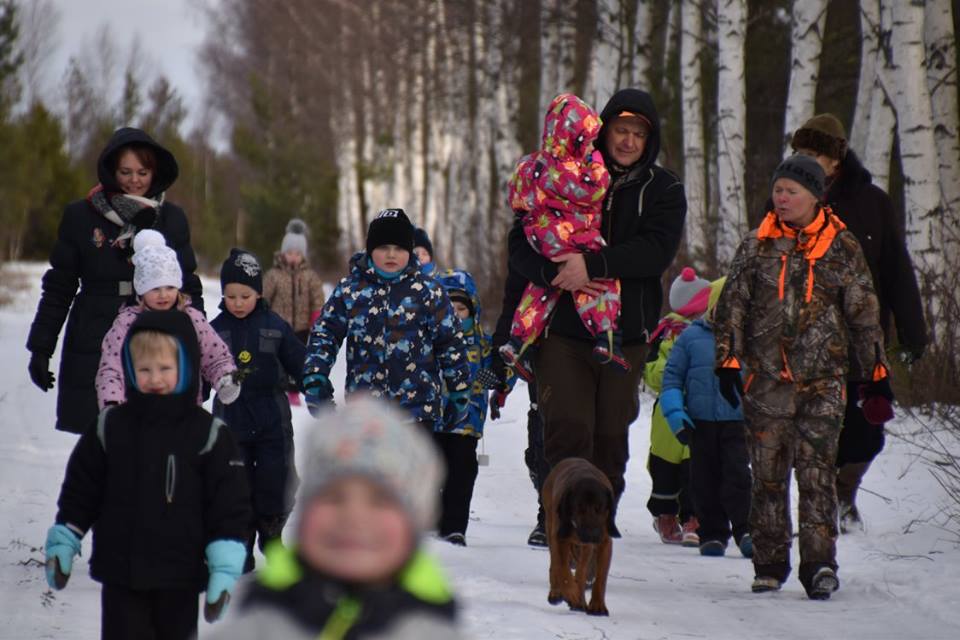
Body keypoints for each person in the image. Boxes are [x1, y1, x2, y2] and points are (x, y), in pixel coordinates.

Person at [714, 154, 891, 599]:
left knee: (817, 475)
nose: (782, 197)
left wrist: (875, 374)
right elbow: (731, 307)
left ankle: (819, 564)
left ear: (816, 196)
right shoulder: (756, 245)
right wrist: (728, 360)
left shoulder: (842, 246)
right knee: (769, 476)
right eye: (778, 190)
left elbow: (864, 314)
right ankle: (770, 562)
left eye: (792, 190)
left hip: (824, 382)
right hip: (767, 382)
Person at [507, 88, 687, 511]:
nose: (628, 141)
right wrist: (556, 273)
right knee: (568, 428)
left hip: (625, 333)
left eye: (638, 135)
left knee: (609, 436)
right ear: (603, 131)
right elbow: (520, 244)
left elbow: (656, 251)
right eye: (620, 130)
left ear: (650, 141)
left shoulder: (663, 188)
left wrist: (593, 264)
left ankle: (596, 527)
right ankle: (558, 519)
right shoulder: (566, 173)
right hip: (563, 332)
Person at [44, 310, 251, 639]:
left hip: (180, 577)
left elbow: (228, 504)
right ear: (129, 369)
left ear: (186, 366)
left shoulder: (208, 434)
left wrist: (224, 565)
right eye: (144, 369)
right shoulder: (111, 427)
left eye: (165, 368)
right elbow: (82, 490)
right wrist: (67, 537)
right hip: (122, 573)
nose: (155, 378)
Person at [207, 399, 464, 640]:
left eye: (380, 500)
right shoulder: (254, 631)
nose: (353, 516)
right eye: (333, 497)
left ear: (415, 521)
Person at [789, 113, 927, 532]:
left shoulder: (873, 202)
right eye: (801, 153)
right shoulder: (787, 195)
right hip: (804, 339)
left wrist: (912, 330)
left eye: (814, 154)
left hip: (862, 339)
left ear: (836, 158)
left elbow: (896, 270)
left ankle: (843, 490)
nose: (807, 161)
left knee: (868, 426)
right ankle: (817, 506)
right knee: (812, 428)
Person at [26, 127, 204, 434]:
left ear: (155, 173)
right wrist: (41, 347)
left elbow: (188, 286)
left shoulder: (171, 219)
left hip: (156, 333)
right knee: (101, 435)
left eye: (143, 172)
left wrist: (201, 356)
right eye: (125, 172)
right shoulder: (81, 216)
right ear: (111, 170)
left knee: (155, 436)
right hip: (94, 332)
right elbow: (59, 287)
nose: (134, 180)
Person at [302, 208, 471, 430]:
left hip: (418, 411)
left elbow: (450, 342)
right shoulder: (351, 290)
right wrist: (316, 377)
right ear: (370, 250)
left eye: (399, 248)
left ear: (409, 252)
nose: (391, 254)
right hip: (365, 413)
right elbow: (325, 334)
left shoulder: (428, 291)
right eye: (383, 247)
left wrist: (459, 388)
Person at [500, 93, 627, 379]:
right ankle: (607, 335)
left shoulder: (530, 165)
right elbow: (595, 189)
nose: (593, 146)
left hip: (540, 237)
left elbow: (515, 197)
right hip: (571, 235)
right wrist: (594, 159)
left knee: (542, 287)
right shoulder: (576, 170)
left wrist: (533, 215)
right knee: (598, 281)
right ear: (577, 139)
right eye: (589, 140)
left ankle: (518, 342)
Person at [211, 249, 307, 571]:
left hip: (271, 420)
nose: (237, 302)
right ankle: (241, 545)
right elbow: (199, 369)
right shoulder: (213, 330)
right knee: (236, 485)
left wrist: (316, 386)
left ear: (259, 293)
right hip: (231, 421)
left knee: (274, 480)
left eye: (245, 295)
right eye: (231, 296)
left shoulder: (275, 326)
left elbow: (301, 362)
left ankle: (271, 536)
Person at [660, 276, 753, 558]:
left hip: (736, 422)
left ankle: (745, 529)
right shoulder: (690, 337)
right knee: (703, 480)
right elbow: (672, 380)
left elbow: (759, 379)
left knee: (738, 476)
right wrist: (677, 417)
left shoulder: (747, 339)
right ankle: (712, 533)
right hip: (699, 423)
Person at [95, 230, 239, 409]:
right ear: (141, 289)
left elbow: (215, 356)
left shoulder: (191, 318)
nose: (163, 295)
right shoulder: (127, 323)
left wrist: (225, 378)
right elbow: (112, 368)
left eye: (170, 287)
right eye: (155, 288)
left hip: (186, 413)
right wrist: (112, 403)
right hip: (140, 415)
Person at [644, 267, 712, 546]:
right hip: (667, 417)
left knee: (696, 467)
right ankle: (665, 514)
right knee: (665, 470)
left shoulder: (712, 333)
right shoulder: (664, 334)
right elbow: (651, 372)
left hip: (700, 409)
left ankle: (694, 517)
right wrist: (676, 372)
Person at [488, 259, 550, 548]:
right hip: (540, 352)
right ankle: (548, 512)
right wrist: (500, 369)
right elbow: (512, 303)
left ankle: (564, 514)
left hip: (584, 343)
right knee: (542, 435)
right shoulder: (530, 244)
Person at [434, 268, 492, 546]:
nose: (457, 315)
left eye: (462, 309)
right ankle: (432, 515)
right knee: (433, 467)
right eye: (450, 309)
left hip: (467, 422)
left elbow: (502, 373)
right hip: (434, 419)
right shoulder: (430, 341)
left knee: (462, 470)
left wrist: (489, 378)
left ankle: (455, 526)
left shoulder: (483, 343)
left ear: (473, 310)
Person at [262, 218, 326, 345]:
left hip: (302, 330)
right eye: (289, 253)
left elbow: (317, 299)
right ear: (283, 253)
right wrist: (263, 318)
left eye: (298, 254)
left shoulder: (310, 276)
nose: (293, 257)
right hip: (277, 328)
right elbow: (264, 297)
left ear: (303, 256)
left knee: (298, 360)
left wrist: (316, 319)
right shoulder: (274, 275)